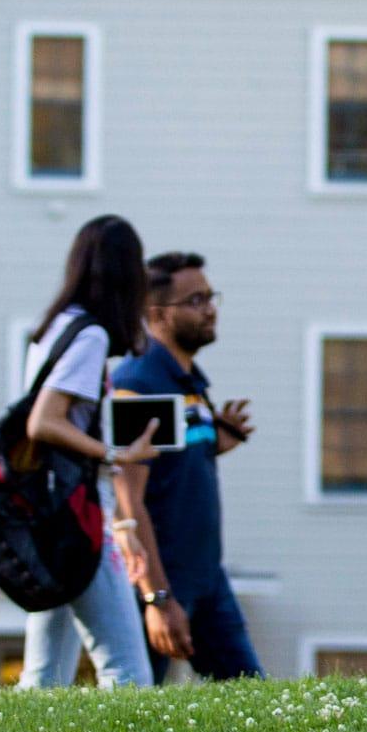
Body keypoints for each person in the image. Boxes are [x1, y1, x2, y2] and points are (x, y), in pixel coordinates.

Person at [17, 214, 163, 690]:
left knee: (45, 675)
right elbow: (44, 421)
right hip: (73, 517)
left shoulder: (55, 328)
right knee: (128, 671)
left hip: (47, 510)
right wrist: (114, 455)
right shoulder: (91, 336)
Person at [112, 251, 263, 682]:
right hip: (161, 580)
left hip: (208, 578)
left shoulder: (190, 383)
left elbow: (172, 467)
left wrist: (217, 441)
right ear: (156, 314)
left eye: (210, 296)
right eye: (195, 301)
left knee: (254, 700)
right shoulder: (137, 385)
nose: (210, 309)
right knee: (133, 714)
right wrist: (156, 599)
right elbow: (128, 502)